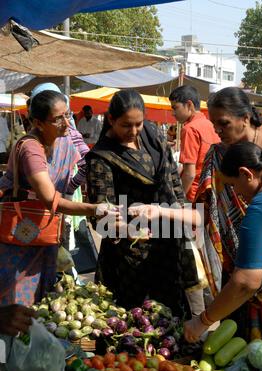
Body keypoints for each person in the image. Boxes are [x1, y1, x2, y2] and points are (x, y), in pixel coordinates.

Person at [197, 86, 262, 345]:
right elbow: (207, 209)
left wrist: (202, 321)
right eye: (214, 125)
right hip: (246, 254)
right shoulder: (218, 155)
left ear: (245, 117)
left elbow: (245, 282)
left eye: (223, 123)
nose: (218, 132)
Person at [86, 89, 199, 316]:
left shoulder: (153, 136)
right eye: (126, 125)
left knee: (171, 314)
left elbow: (173, 182)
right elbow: (100, 212)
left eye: (139, 123)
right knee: (135, 320)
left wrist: (182, 215)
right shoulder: (102, 158)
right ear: (111, 119)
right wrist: (125, 229)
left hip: (167, 239)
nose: (134, 131)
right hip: (131, 251)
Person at [0, 90, 119, 306]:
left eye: (68, 114)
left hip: (45, 232)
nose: (66, 122)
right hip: (20, 236)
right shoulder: (31, 149)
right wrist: (94, 209)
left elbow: (85, 163)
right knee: (16, 298)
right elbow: (48, 197)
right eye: (58, 118)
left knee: (43, 295)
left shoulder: (63, 140)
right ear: (38, 122)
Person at [184, 142, 262, 357]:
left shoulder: (261, 208)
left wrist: (203, 321)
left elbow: (246, 282)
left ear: (246, 174)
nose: (235, 193)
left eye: (232, 185)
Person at [169, 85, 220, 202]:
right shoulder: (211, 125)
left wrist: (177, 200)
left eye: (175, 108)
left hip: (193, 195)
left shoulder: (189, 129)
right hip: (212, 191)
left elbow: (190, 174)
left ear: (189, 105)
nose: (173, 113)